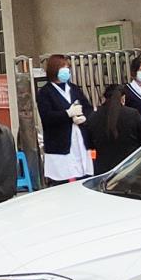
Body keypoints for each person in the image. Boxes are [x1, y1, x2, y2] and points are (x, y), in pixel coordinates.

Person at [36, 55, 95, 186]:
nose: (66, 70)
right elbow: (47, 117)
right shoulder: (45, 92)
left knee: (83, 176)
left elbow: (87, 107)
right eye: (63, 67)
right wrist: (67, 114)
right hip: (59, 143)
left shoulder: (74, 88)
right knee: (61, 179)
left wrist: (84, 117)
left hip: (79, 138)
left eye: (67, 67)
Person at [86, 84, 141, 176]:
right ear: (123, 98)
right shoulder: (132, 114)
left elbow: (89, 143)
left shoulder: (93, 116)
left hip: (103, 170)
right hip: (130, 166)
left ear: (104, 98)